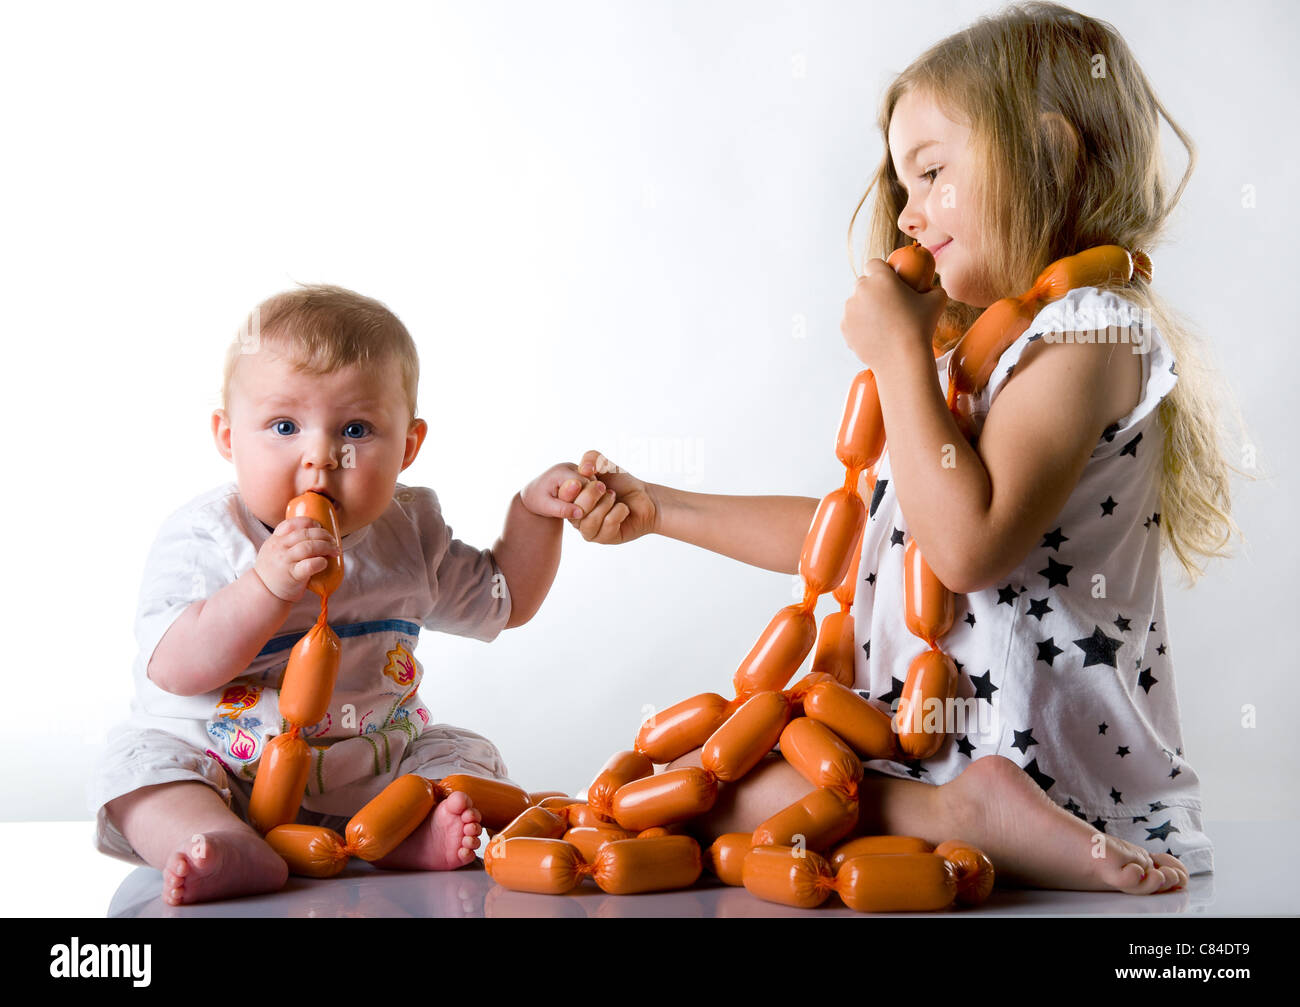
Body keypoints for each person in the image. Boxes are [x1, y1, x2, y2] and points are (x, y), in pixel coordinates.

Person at [564, 2, 1250, 894]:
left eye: (931, 174)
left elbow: (966, 546)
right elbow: (867, 536)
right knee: (709, 789)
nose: (911, 213)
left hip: (1037, 754)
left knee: (723, 796)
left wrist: (897, 358)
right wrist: (662, 508)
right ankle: (950, 811)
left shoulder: (1091, 335)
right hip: (930, 739)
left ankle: (973, 810)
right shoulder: (976, 356)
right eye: (903, 185)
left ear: (1049, 152)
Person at [88, 284, 606, 906]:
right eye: (284, 426)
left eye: (355, 429)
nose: (320, 457)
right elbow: (175, 668)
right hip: (221, 767)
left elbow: (505, 599)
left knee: (462, 757)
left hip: (366, 769)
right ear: (228, 436)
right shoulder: (206, 537)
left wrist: (534, 515)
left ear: (407, 447)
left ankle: (400, 836)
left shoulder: (409, 533)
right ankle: (218, 840)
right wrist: (265, 587)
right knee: (139, 772)